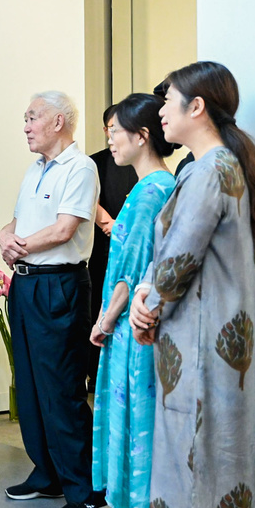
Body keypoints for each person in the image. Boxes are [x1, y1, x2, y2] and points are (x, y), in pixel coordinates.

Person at [129, 61, 255, 508]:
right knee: (201, 457)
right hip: (196, 341)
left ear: (197, 107)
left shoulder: (212, 169)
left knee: (212, 459)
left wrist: (147, 308)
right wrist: (148, 299)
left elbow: (179, 256)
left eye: (169, 101)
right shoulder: (208, 166)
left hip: (209, 346)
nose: (161, 111)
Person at [0, 91, 106, 508]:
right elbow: (16, 222)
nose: (25, 126)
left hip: (59, 285)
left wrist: (18, 245)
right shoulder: (35, 169)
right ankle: (47, 474)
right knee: (29, 385)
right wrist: (4, 237)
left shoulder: (81, 167)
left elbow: (64, 230)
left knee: (61, 388)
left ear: (58, 122)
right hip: (25, 285)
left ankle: (88, 490)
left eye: (32, 117)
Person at [88, 94, 178, 508]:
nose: (110, 141)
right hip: (137, 328)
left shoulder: (150, 192)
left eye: (115, 132)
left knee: (143, 437)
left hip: (134, 331)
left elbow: (132, 271)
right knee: (146, 435)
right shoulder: (156, 187)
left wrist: (105, 320)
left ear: (142, 136)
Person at [87, 105, 138, 391]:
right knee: (100, 303)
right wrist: (110, 225)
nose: (112, 133)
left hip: (133, 246)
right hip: (103, 247)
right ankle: (97, 379)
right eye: (109, 127)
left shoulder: (142, 165)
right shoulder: (93, 162)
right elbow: (88, 199)